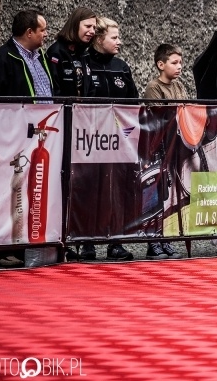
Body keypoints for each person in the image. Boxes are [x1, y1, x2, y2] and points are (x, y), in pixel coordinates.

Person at [0, 9, 57, 267]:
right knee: (11, 193)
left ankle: (29, 245)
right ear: (29, 32)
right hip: (13, 140)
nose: (46, 34)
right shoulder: (2, 59)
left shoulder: (41, 58)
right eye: (42, 30)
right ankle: (3, 250)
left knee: (34, 191)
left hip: (43, 138)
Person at [47, 6, 98, 260]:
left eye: (94, 27)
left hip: (83, 129)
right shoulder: (55, 52)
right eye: (87, 26)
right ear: (75, 24)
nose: (91, 31)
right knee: (62, 184)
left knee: (83, 184)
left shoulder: (86, 54)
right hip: (61, 128)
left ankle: (84, 240)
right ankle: (61, 242)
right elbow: (53, 91)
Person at [85, 16, 137, 261]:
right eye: (114, 38)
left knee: (116, 191)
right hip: (88, 139)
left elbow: (134, 103)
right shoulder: (83, 63)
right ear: (98, 38)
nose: (120, 42)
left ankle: (115, 242)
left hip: (118, 141)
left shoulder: (121, 67)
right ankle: (86, 242)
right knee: (89, 189)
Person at [142, 43, 187, 259]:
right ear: (161, 65)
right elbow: (157, 117)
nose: (179, 67)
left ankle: (165, 237)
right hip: (157, 148)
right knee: (154, 194)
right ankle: (153, 241)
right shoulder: (154, 87)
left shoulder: (179, 87)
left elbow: (186, 111)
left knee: (169, 195)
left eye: (180, 62)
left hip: (174, 146)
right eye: (174, 62)